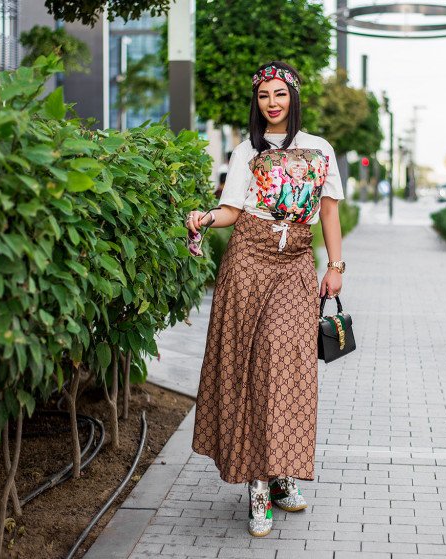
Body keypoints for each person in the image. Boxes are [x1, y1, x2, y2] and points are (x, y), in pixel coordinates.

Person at [186, 60, 346, 538]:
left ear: (293, 97)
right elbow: (233, 210)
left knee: (287, 368)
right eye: (263, 96)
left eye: (279, 94)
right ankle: (260, 485)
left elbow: (330, 214)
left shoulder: (319, 149)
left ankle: (280, 473)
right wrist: (204, 217)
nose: (271, 103)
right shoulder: (244, 152)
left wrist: (335, 268)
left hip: (296, 263)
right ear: (257, 103)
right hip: (248, 263)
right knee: (251, 373)